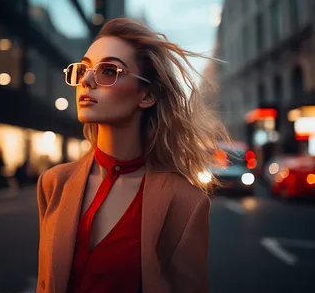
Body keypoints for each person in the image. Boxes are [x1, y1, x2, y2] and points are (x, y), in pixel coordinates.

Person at [36, 18, 229, 293]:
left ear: (147, 95)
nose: (87, 80)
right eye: (84, 69)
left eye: (109, 70)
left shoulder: (185, 203)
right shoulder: (53, 184)